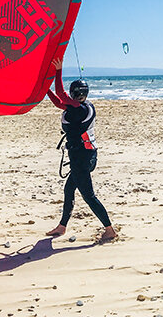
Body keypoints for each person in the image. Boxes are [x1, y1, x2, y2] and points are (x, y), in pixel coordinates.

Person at [45, 58, 117, 243]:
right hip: (88, 155)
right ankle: (62, 227)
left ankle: (109, 230)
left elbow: (59, 94)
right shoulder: (84, 106)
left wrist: (57, 71)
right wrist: (44, 89)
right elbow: (59, 102)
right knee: (69, 190)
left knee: (88, 196)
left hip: (81, 159)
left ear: (73, 93)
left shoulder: (77, 108)